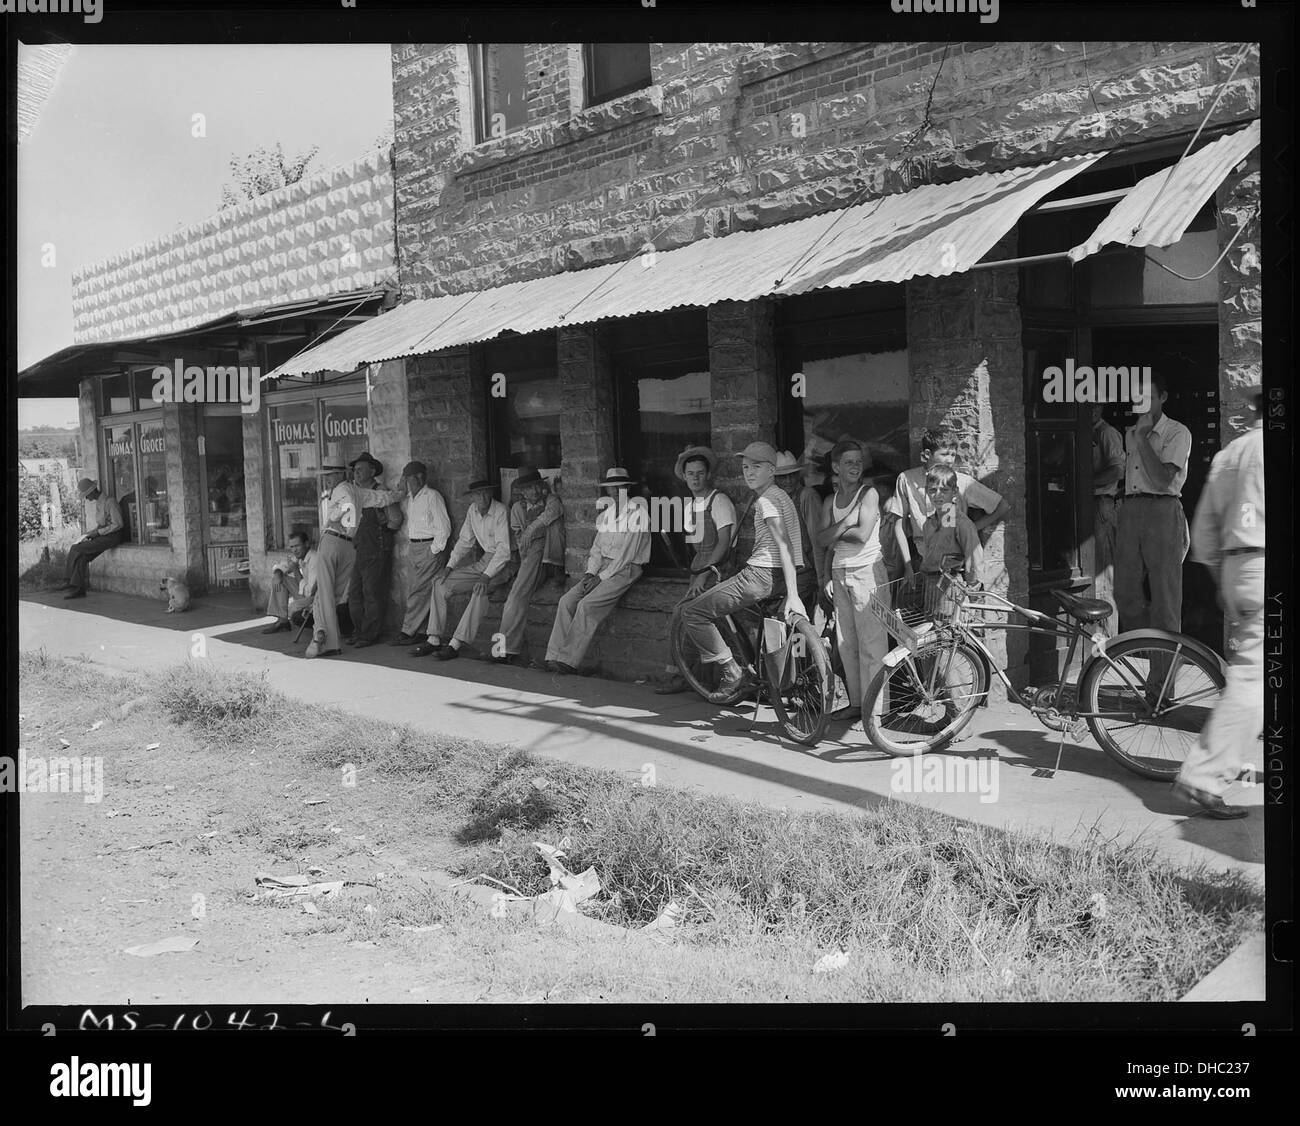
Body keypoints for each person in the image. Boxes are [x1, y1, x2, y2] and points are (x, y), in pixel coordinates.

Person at [1174, 386, 1264, 820]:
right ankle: (1205, 778)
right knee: (1254, 677)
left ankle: (1226, 763)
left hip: (1237, 566)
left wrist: (1225, 580)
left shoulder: (1231, 454)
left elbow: (1204, 535)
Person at [680, 442, 808, 703]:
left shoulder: (768, 500)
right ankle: (771, 681)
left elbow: (784, 545)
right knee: (758, 623)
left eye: (756, 467)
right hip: (780, 577)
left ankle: (731, 670)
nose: (749, 473)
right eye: (745, 467)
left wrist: (794, 595)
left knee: (692, 612)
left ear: (771, 470)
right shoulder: (781, 496)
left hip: (760, 576)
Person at [546, 467, 651, 674]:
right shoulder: (607, 515)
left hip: (626, 569)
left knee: (587, 605)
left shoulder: (638, 513)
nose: (614, 492)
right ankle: (553, 656)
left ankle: (567, 661)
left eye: (618, 487)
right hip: (602, 568)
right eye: (611, 488)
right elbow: (596, 549)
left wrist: (601, 577)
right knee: (567, 601)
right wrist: (590, 573)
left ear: (626, 488)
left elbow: (626, 555)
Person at [815, 439, 891, 723]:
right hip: (840, 571)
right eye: (849, 462)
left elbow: (862, 536)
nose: (855, 467)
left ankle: (877, 713)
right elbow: (820, 540)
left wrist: (836, 530)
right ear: (835, 466)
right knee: (847, 643)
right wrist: (847, 523)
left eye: (858, 462)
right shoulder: (830, 501)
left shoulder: (868, 494)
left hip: (867, 570)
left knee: (873, 643)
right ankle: (858, 704)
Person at [1114, 371, 1193, 634]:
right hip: (1131, 508)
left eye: (1148, 396)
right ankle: (1151, 650)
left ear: (1163, 397)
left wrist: (1144, 439)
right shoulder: (1130, 433)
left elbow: (1161, 481)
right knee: (1125, 592)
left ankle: (1163, 672)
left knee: (1165, 595)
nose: (1142, 402)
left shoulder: (1177, 432)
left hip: (1163, 509)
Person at [654, 446, 736, 694]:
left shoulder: (718, 501)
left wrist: (704, 573)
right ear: (685, 476)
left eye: (700, 473)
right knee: (683, 616)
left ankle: (679, 675)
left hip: (719, 569)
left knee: (683, 613)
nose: (696, 478)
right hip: (699, 570)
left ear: (708, 474)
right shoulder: (690, 505)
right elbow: (695, 546)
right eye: (691, 473)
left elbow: (724, 542)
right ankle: (687, 674)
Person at [410, 478, 516, 661]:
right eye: (477, 494)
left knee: (479, 591)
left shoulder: (500, 511)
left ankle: (455, 644)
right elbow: (465, 541)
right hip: (484, 562)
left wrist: (485, 577)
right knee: (440, 583)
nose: (482, 497)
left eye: (485, 492)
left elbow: (504, 551)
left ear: (490, 493)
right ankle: (434, 638)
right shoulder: (472, 511)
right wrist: (449, 566)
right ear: (472, 497)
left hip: (504, 563)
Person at [306, 461, 399, 659]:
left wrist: (333, 515)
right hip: (350, 545)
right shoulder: (358, 492)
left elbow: (334, 516)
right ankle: (329, 638)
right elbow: (383, 499)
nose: (327, 478)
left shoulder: (341, 490)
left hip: (332, 540)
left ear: (341, 475)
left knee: (324, 593)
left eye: (331, 474)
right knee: (336, 594)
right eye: (327, 475)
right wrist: (401, 493)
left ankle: (321, 634)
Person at [892, 425, 1010, 554]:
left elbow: (1002, 506)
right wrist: (907, 564)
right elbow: (899, 524)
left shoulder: (963, 482)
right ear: (927, 454)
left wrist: (971, 529)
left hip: (953, 555)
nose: (949, 460)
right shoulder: (906, 479)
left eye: (953, 455)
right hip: (922, 553)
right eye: (944, 454)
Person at [498, 467, 565, 666]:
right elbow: (520, 540)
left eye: (536, 486)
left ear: (541, 485)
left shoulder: (550, 500)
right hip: (533, 556)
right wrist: (527, 542)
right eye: (527, 489)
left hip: (551, 556)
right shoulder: (518, 508)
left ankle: (502, 649)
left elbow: (553, 512)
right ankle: (502, 649)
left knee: (516, 597)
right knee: (515, 597)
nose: (533, 492)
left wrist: (531, 529)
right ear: (522, 492)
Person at [389, 461, 452, 646]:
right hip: (414, 547)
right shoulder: (410, 498)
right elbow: (395, 493)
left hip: (429, 547)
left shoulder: (432, 496)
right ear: (407, 479)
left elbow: (444, 527)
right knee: (422, 591)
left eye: (421, 475)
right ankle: (422, 632)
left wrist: (435, 550)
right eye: (413, 476)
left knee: (417, 591)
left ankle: (407, 631)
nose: (418, 479)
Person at [345, 453, 404, 649]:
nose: (357, 473)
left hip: (376, 549)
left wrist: (383, 529)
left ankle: (368, 635)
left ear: (372, 471)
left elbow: (396, 520)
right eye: (355, 470)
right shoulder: (355, 493)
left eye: (361, 469)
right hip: (361, 549)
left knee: (372, 593)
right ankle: (359, 630)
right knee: (354, 594)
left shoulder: (381, 492)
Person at [917, 463, 984, 617]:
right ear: (927, 492)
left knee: (948, 635)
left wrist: (973, 595)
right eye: (933, 490)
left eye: (944, 490)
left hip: (953, 588)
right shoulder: (929, 523)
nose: (938, 495)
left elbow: (974, 558)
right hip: (932, 586)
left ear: (954, 492)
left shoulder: (961, 523)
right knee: (933, 632)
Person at [1091, 404, 1126, 635]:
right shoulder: (1088, 433)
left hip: (1101, 504)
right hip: (1089, 505)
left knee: (1104, 577)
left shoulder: (1107, 434)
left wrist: (1085, 482)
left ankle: (1107, 640)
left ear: (1099, 407)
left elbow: (1117, 471)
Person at [59, 478, 125, 599]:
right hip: (104, 535)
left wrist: (98, 533)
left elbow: (118, 524)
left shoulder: (110, 502)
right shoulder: (99, 502)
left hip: (113, 536)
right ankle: (79, 590)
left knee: (76, 549)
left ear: (93, 491)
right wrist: (89, 534)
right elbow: (102, 524)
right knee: (82, 557)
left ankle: (67, 580)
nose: (86, 498)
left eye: (86, 495)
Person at [262, 528, 316, 633]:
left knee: (293, 609)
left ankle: (287, 620)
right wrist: (278, 573)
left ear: (306, 544)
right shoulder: (300, 556)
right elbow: (283, 565)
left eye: (297, 546)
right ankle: (282, 622)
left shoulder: (314, 559)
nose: (295, 550)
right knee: (279, 578)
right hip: (304, 592)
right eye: (292, 547)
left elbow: (311, 592)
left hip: (314, 598)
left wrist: (295, 570)